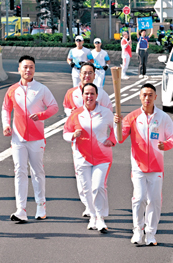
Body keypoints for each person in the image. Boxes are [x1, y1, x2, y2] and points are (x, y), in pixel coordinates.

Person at [115, 83, 173, 246]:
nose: (147, 98)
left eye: (150, 95)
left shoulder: (163, 117)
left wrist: (167, 145)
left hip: (156, 167)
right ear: (140, 97)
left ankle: (150, 233)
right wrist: (118, 124)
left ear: (155, 97)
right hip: (138, 167)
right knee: (139, 199)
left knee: (155, 201)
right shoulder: (132, 117)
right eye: (144, 95)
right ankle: (137, 230)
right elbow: (119, 138)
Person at [1, 55, 59, 223]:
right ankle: (21, 209)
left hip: (36, 138)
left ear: (34, 69)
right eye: (25, 67)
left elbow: (54, 107)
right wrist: (6, 125)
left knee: (37, 171)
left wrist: (41, 115)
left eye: (31, 67)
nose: (28, 70)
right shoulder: (12, 89)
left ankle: (41, 205)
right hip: (18, 138)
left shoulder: (41, 89)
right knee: (19, 171)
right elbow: (6, 108)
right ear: (19, 69)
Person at [63, 83, 117, 233]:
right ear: (82, 96)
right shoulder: (76, 114)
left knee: (98, 186)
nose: (89, 96)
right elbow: (66, 132)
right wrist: (72, 135)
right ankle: (92, 215)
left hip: (102, 156)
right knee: (86, 189)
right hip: (82, 156)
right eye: (86, 94)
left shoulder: (106, 113)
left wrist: (112, 140)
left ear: (97, 95)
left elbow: (116, 130)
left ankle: (100, 218)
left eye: (92, 93)